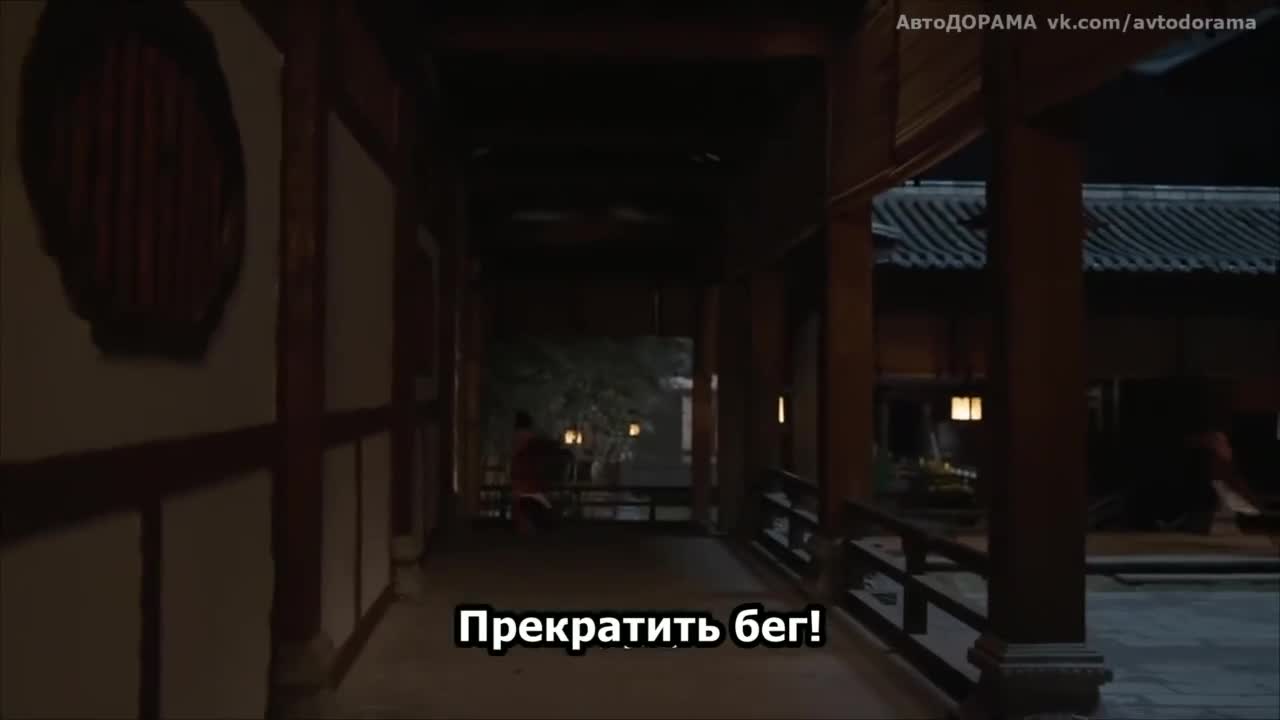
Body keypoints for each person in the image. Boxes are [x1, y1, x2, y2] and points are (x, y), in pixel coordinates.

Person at [509, 411, 559, 534]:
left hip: (523, 485)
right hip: (531, 486)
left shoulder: (519, 442)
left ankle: (526, 526)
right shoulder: (532, 441)